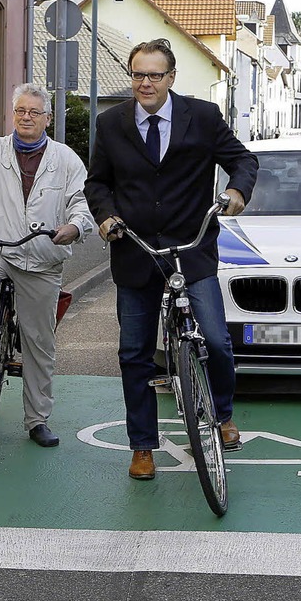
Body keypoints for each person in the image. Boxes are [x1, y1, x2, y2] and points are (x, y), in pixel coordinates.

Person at [84, 38, 258, 480]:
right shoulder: (110, 123)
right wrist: (105, 218)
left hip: (191, 249)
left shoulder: (201, 116)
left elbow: (242, 159)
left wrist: (237, 190)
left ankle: (221, 415)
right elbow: (97, 184)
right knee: (134, 354)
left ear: (171, 78)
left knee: (216, 339)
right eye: (138, 74)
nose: (145, 83)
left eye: (154, 75)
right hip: (136, 249)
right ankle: (142, 446)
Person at [0, 83, 94, 447]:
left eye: (34, 112)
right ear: (13, 114)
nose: (26, 117)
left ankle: (37, 419)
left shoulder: (67, 160)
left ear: (48, 119)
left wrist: (74, 227)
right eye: (21, 111)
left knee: (38, 341)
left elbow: (82, 203)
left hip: (41, 257)